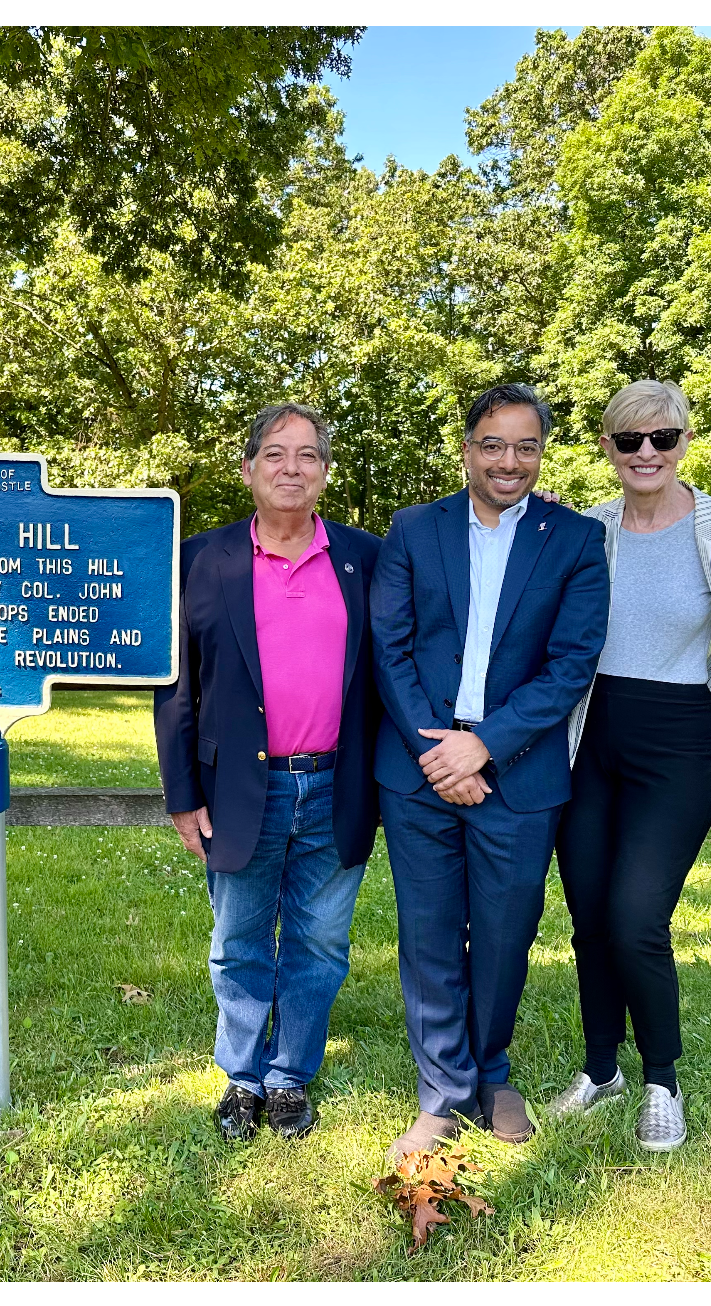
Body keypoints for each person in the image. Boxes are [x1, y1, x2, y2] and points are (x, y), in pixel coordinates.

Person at [370, 383, 610, 1164]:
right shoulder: (413, 530)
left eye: (526, 446)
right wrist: (442, 753)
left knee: (506, 934)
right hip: (418, 769)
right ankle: (443, 1092)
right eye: (494, 444)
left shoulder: (573, 540)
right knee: (431, 933)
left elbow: (573, 663)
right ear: (468, 447)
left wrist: (487, 746)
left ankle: (492, 1068)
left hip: (519, 773)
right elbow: (391, 649)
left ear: (541, 452)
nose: (510, 461)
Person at [154, 403, 383, 1142]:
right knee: (240, 939)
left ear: (325, 472)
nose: (292, 468)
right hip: (237, 789)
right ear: (248, 468)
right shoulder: (199, 559)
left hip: (338, 783)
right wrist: (182, 796)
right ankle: (242, 1078)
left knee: (320, 941)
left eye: (308, 455)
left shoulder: (366, 558)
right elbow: (175, 686)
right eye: (276, 455)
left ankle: (288, 1078)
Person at [547, 381, 710, 1151]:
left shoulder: (710, 526)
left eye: (664, 438)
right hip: (591, 740)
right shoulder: (591, 530)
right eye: (629, 439)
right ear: (608, 448)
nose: (648, 453)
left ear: (684, 441)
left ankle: (661, 1080)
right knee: (587, 920)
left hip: (682, 743)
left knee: (636, 917)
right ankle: (600, 1067)